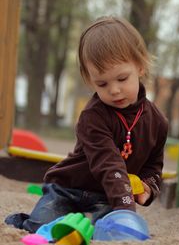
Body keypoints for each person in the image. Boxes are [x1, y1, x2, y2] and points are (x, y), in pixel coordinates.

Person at [5, 16, 168, 233]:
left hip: (106, 197)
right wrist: (126, 210)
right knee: (42, 228)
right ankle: (22, 221)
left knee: (105, 231)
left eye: (122, 79)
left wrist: (147, 187)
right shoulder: (93, 116)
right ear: (90, 80)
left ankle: (86, 220)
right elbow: (108, 163)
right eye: (102, 83)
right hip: (67, 188)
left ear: (139, 66)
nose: (114, 90)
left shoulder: (157, 122)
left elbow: (154, 167)